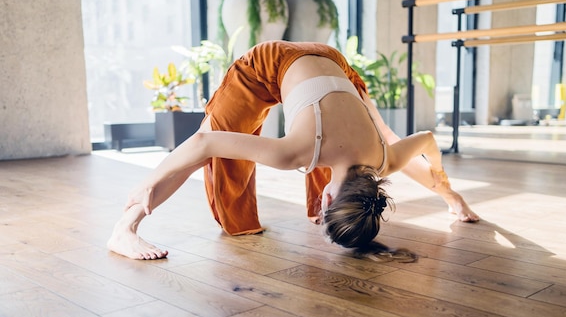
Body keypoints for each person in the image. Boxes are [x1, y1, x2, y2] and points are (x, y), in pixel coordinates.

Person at [107, 40, 478, 260]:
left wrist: (452, 196)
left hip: (333, 62)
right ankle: (124, 230)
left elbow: (427, 141)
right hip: (267, 63)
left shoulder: (386, 159)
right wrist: (148, 182)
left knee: (386, 131)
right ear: (327, 199)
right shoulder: (294, 153)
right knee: (207, 146)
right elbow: (202, 143)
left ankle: (454, 199)